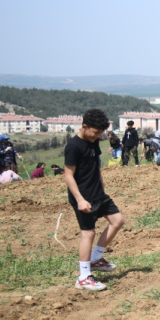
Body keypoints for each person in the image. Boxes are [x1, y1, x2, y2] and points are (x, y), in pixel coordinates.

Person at [64, 108, 126, 291]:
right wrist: (80, 200)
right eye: (96, 132)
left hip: (99, 194)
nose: (98, 136)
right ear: (85, 126)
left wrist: (101, 185)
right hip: (83, 197)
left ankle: (96, 258)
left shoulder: (93, 141)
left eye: (101, 133)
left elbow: (95, 167)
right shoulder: (73, 146)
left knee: (118, 221)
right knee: (88, 233)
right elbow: (68, 175)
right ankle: (83, 277)